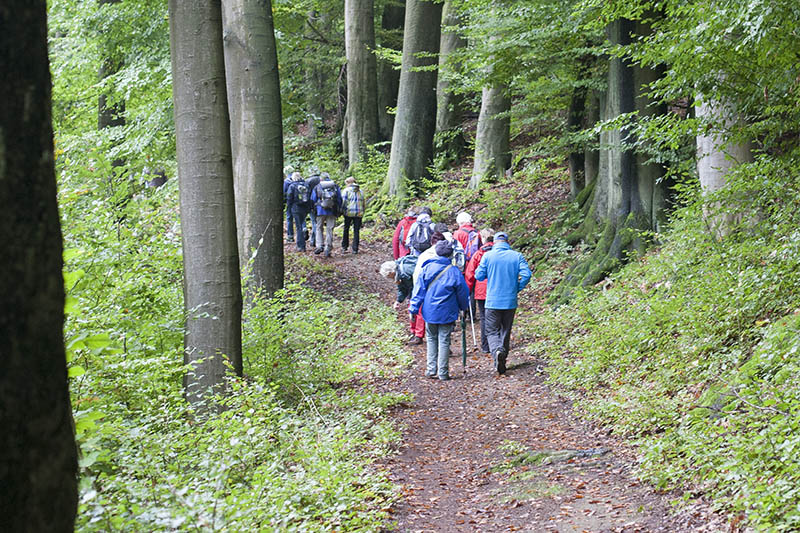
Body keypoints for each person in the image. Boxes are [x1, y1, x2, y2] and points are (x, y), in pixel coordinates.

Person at [409, 240, 470, 381]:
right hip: (447, 312)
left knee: (431, 338)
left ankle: (431, 369)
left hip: (429, 310)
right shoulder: (454, 272)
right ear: (450, 255)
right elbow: (463, 293)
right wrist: (463, 308)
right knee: (444, 340)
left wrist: (413, 308)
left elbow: (418, 291)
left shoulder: (426, 268)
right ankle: (443, 372)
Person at [474, 231, 531, 375]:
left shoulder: (488, 256)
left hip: (492, 300)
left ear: (494, 242)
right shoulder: (516, 256)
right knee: (505, 330)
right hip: (510, 301)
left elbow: (479, 275)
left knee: (491, 331)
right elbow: (526, 274)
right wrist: (517, 287)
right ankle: (502, 360)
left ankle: (497, 352)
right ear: (507, 242)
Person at [409, 231, 447, 345]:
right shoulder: (447, 253)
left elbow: (417, 274)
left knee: (421, 311)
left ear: (431, 242)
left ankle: (419, 335)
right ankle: (443, 344)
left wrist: (417, 289)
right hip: (443, 289)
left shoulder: (424, 255)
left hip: (426, 287)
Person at [464, 228, 494, 353]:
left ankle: (485, 345)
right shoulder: (499, 253)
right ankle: (497, 343)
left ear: (482, 238)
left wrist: (467, 290)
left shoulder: (478, 254)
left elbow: (470, 274)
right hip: (495, 289)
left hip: (481, 291)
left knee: (484, 317)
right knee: (496, 316)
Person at [311, 174, 342, 257]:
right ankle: (328, 248)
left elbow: (313, 199)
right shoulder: (335, 186)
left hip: (320, 210)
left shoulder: (318, 186)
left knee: (319, 228)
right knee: (330, 229)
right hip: (332, 211)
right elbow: (339, 199)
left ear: (321, 179)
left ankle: (319, 245)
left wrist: (314, 208)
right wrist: (338, 209)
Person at [285, 171, 312, 251]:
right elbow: (309, 196)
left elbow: (289, 198)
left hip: (296, 208)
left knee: (298, 227)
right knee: (302, 224)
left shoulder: (292, 186)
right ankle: (302, 240)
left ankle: (301, 246)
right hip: (305, 208)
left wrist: (289, 207)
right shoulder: (306, 185)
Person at [341, 176, 365, 254]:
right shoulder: (360, 191)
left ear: (348, 183)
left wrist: (342, 211)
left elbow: (343, 202)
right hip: (359, 213)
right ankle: (355, 248)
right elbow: (363, 203)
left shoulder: (346, 191)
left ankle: (344, 246)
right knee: (356, 230)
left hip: (348, 213)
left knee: (346, 229)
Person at [305, 170, 322, 247]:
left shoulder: (308, 181)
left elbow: (306, 194)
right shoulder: (321, 180)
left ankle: (313, 241)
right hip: (321, 205)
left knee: (314, 222)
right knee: (318, 223)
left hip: (311, 204)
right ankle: (317, 240)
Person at [283, 164, 295, 241]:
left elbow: (284, 192)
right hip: (299, 203)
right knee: (301, 219)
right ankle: (303, 229)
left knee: (289, 218)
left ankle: (290, 236)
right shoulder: (298, 178)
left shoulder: (286, 181)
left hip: (290, 202)